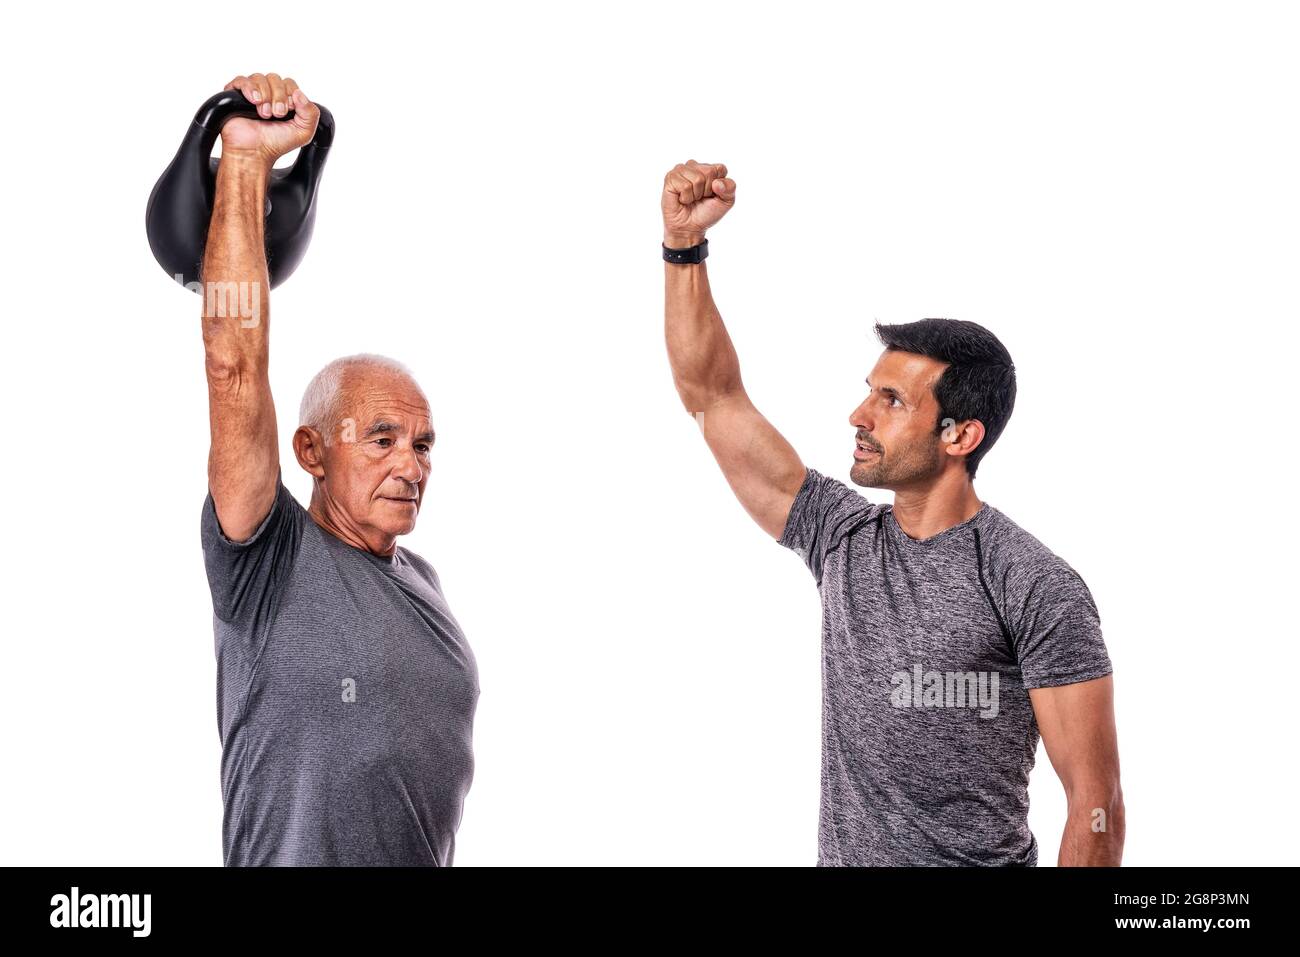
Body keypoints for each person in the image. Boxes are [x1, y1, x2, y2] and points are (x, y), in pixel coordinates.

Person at [661, 159, 1123, 866]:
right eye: (869, 391)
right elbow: (712, 397)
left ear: (960, 437)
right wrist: (682, 248)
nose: (859, 414)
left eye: (891, 401)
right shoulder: (840, 535)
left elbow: (1097, 806)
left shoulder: (1033, 584)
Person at [198, 72, 477, 866]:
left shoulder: (423, 579)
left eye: (422, 446)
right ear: (311, 452)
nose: (410, 465)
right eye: (381, 438)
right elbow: (233, 368)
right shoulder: (267, 558)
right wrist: (245, 164)